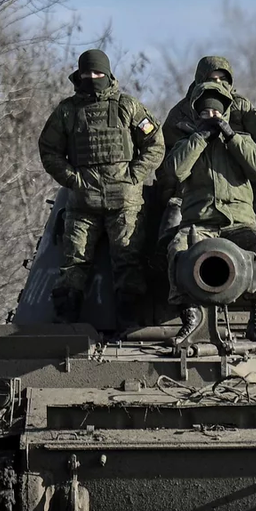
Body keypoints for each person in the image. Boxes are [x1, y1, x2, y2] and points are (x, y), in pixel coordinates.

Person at [37, 49, 165, 329]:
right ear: (79, 75)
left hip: (125, 201)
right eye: (87, 73)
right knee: (73, 262)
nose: (92, 78)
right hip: (83, 202)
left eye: (97, 73)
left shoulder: (127, 107)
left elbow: (155, 143)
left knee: (128, 260)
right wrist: (72, 179)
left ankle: (128, 323)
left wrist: (135, 174)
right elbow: (48, 149)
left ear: (107, 74)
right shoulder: (68, 111)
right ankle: (66, 321)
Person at [163, 82, 256, 344]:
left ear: (225, 113)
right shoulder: (187, 143)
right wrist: (200, 138)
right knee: (177, 250)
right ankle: (190, 316)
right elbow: (175, 172)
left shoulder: (242, 141)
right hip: (199, 224)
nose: (212, 117)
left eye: (217, 113)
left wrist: (231, 136)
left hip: (240, 222)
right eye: (206, 113)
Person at [156, 55, 256, 204]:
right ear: (201, 79)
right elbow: (165, 157)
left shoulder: (241, 106)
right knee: (171, 216)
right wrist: (172, 191)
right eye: (212, 79)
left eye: (223, 79)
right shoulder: (180, 113)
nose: (218, 83)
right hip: (192, 190)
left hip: (241, 185)